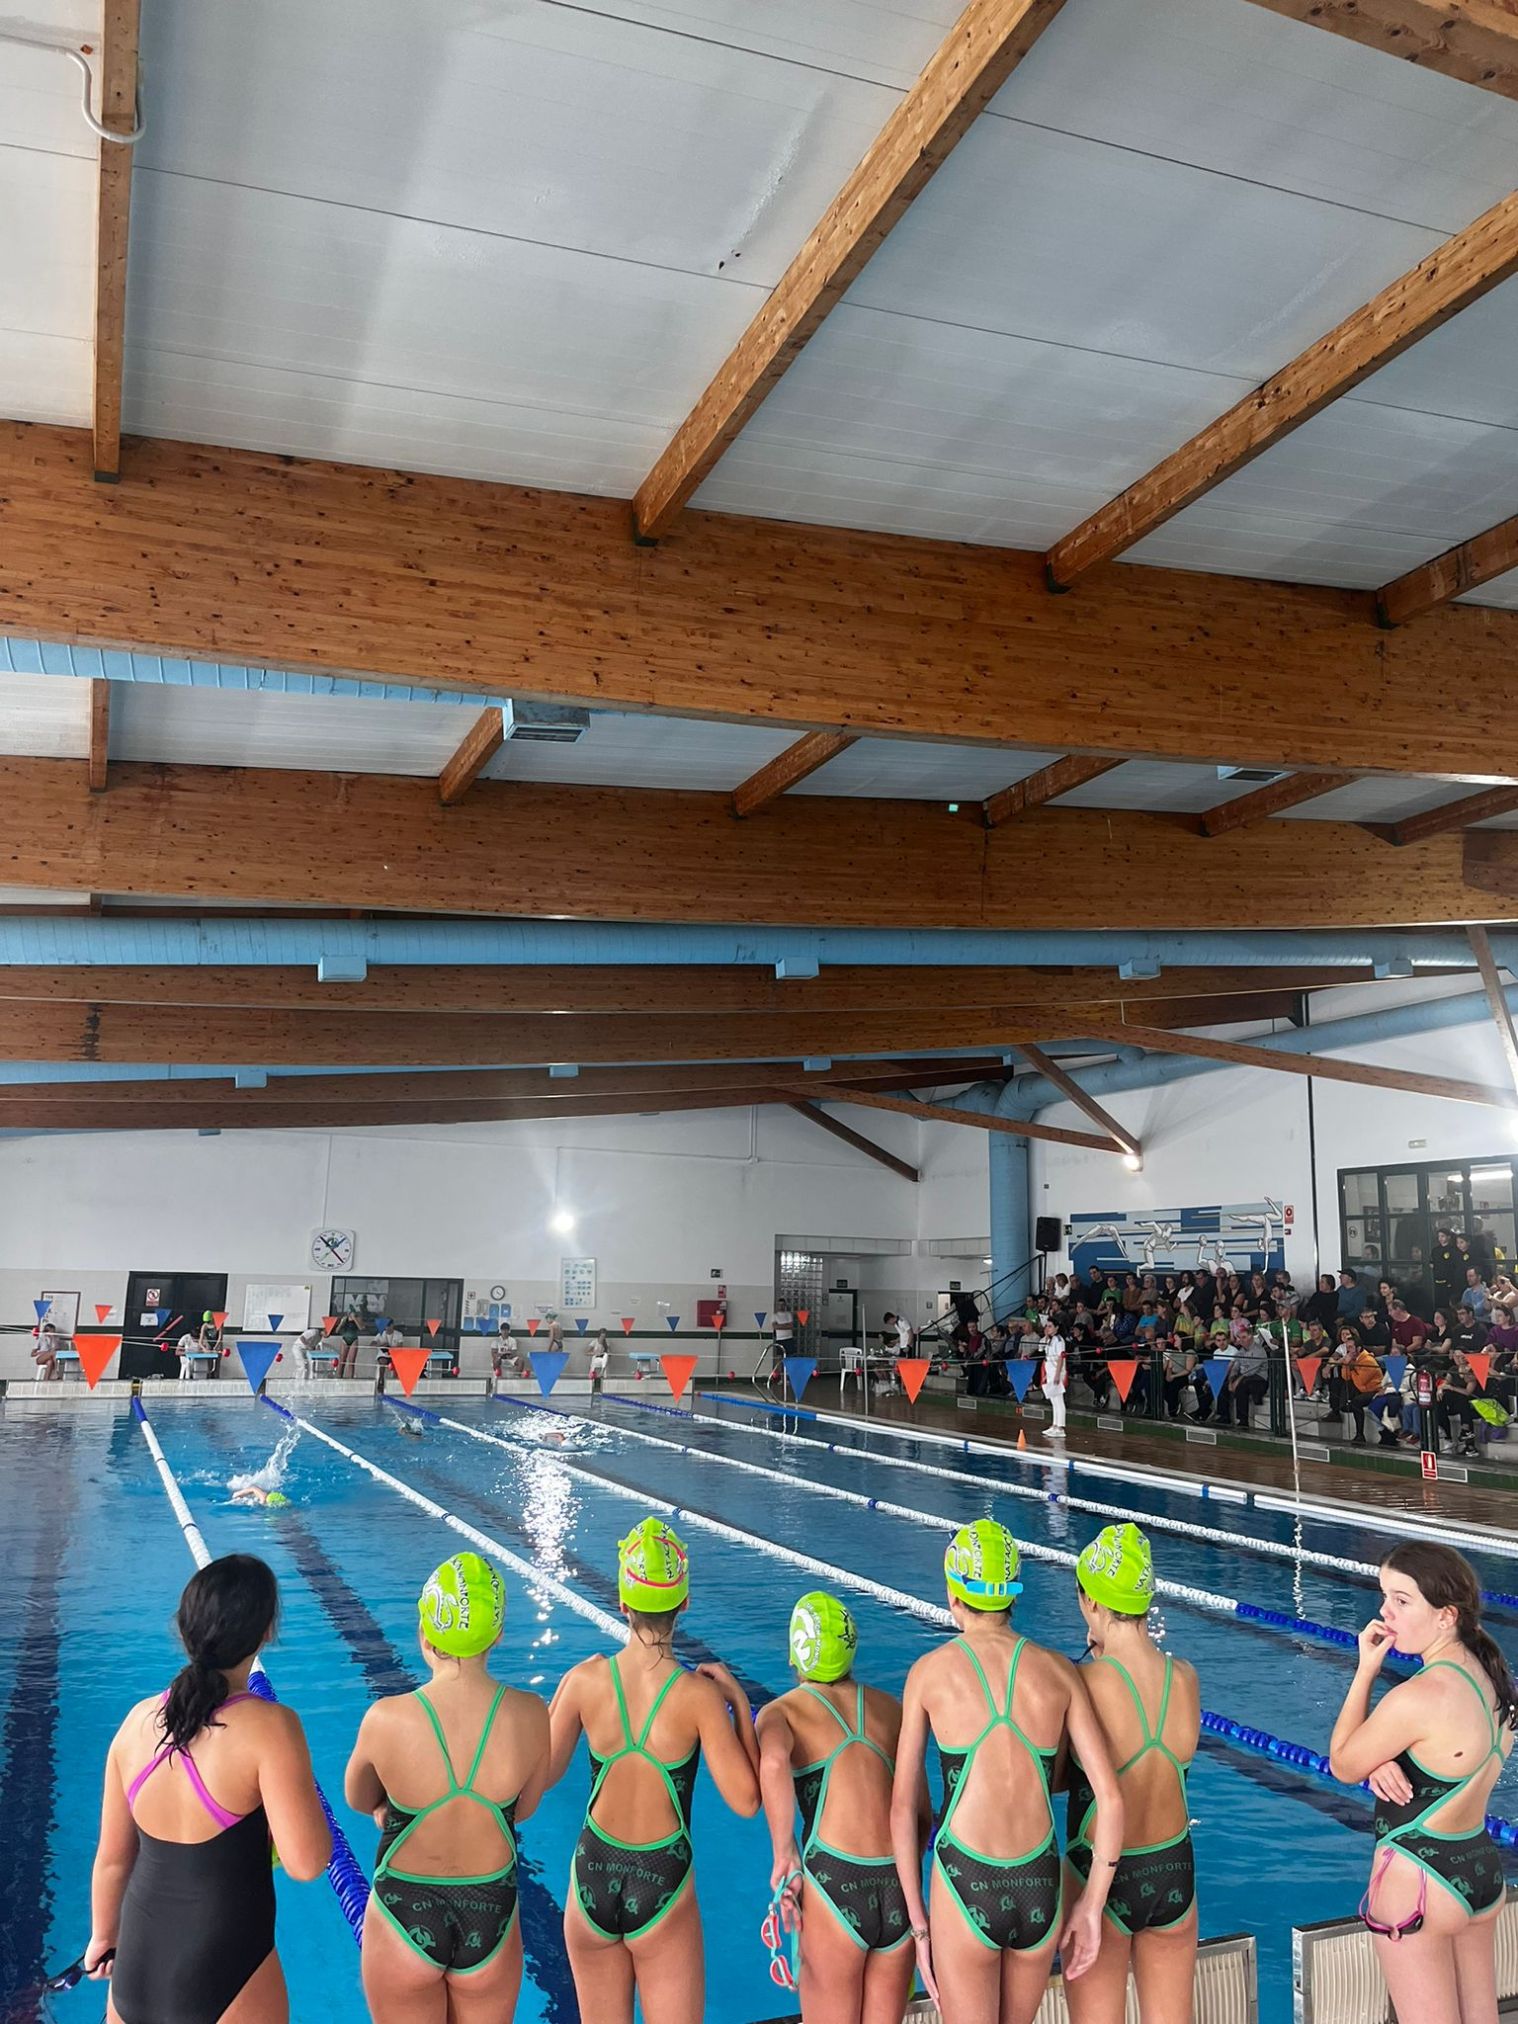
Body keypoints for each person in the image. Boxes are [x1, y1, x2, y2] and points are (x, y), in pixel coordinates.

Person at [890, 1519, 1123, 2024]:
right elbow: (1110, 1797)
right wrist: (1091, 1905)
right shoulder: (1059, 1671)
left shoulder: (928, 1674)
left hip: (964, 1878)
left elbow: (904, 1809)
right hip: (1039, 1882)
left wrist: (918, 1926)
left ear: (954, 1596)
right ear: (1013, 1594)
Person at [85, 1554, 330, 2023]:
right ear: (266, 1632)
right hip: (227, 1973)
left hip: (134, 1972)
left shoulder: (136, 1722)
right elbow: (307, 1863)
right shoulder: (271, 1727)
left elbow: (113, 1859)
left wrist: (102, 1937)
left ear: (184, 1629)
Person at [548, 1518, 760, 2024]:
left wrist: (562, 1695)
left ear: (622, 1602)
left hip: (592, 1871)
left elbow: (538, 1778)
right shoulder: (700, 1698)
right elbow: (747, 1802)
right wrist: (737, 1701)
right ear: (683, 1603)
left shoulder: (586, 1680)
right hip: (662, 1879)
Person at [345, 1554, 550, 2022]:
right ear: (497, 1635)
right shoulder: (531, 1713)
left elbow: (357, 1798)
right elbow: (523, 1809)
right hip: (490, 1910)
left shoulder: (387, 1718)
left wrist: (389, 1806)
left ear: (425, 1633)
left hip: (403, 1910)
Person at [1330, 1543, 1516, 2023]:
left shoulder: (1419, 1696)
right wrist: (1381, 1759)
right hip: (1478, 1869)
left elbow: (1343, 1764)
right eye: (1384, 1596)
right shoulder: (1494, 1679)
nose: (1384, 1612)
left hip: (1418, 1879)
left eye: (1401, 1600)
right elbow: (1436, 1751)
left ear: (1446, 1616)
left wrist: (1366, 1670)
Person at [757, 1593, 923, 2023]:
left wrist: (784, 1851)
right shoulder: (891, 1709)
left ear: (795, 1652)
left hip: (835, 1880)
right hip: (896, 1886)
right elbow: (921, 1812)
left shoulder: (782, 1712)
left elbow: (772, 1763)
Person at [1065, 1525, 1200, 2024]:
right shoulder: (1184, 1677)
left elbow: (1056, 1777)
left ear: (1092, 1601)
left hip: (1099, 1874)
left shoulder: (1081, 1682)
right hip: (1174, 1871)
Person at [1041, 1320, 1068, 1440]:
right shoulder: (1050, 1340)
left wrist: (1057, 1374)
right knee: (1053, 1401)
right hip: (1051, 1373)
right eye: (1046, 1326)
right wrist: (1047, 1374)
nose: (1048, 1328)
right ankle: (1054, 1425)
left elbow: (1060, 1358)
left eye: (1050, 1326)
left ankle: (1060, 1428)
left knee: (1058, 1400)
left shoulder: (1059, 1340)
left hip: (1057, 1373)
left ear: (1057, 1327)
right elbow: (1047, 1357)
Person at [336, 1307, 362, 1379]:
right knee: (342, 1360)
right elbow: (337, 1331)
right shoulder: (345, 1319)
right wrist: (341, 1323)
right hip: (345, 1339)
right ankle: (339, 1376)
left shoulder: (357, 1319)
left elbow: (361, 1328)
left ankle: (350, 1378)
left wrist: (355, 1319)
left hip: (354, 1339)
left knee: (351, 1361)